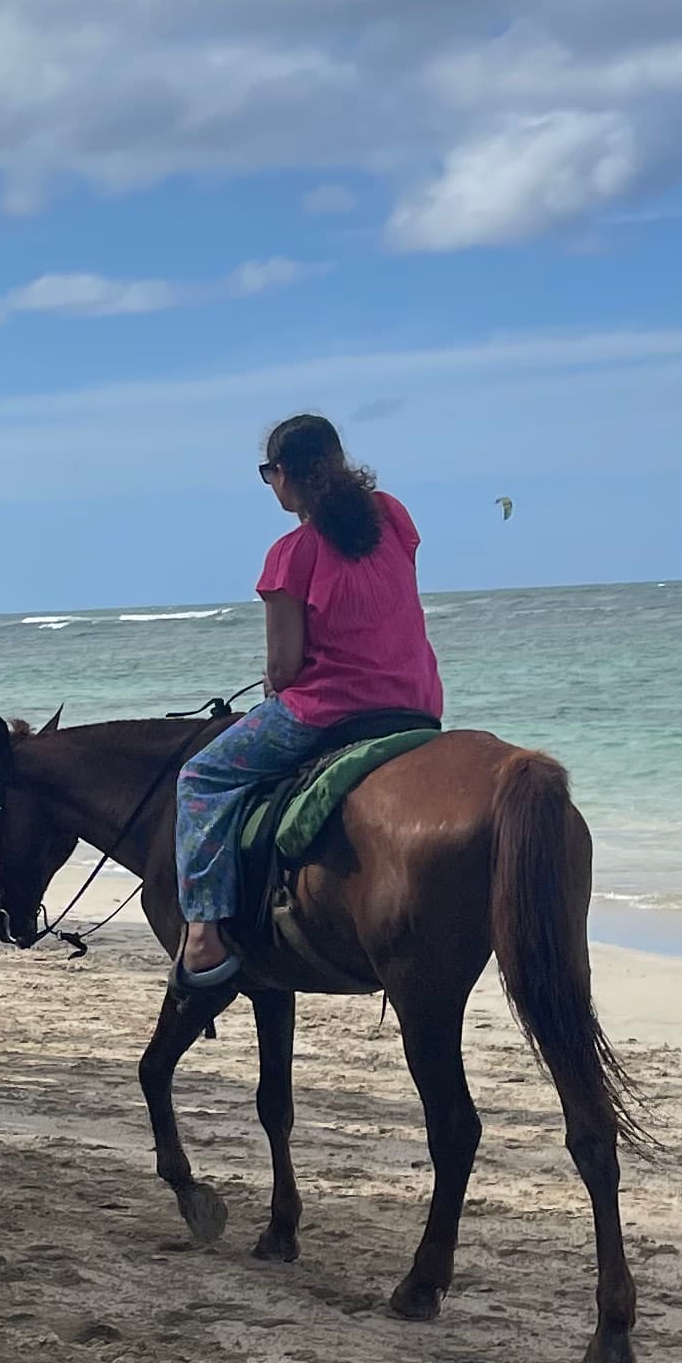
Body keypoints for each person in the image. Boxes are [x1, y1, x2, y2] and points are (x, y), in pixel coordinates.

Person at [173, 413, 443, 993]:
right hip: (416, 702)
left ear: (286, 475)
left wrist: (273, 685)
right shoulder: (392, 515)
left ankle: (202, 933)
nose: (269, 483)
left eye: (268, 472)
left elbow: (284, 669)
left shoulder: (291, 552)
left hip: (330, 710)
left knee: (200, 778)